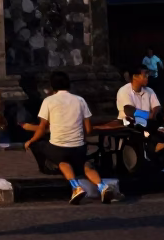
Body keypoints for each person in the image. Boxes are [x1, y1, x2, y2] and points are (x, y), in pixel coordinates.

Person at [26, 71, 121, 205]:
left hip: (58, 148)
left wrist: (30, 141)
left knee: (60, 160)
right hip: (78, 148)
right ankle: (102, 186)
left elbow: (42, 128)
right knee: (85, 165)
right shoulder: (80, 100)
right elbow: (88, 129)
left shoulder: (48, 101)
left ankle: (76, 186)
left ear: (52, 86)